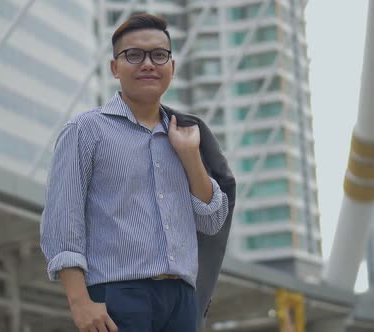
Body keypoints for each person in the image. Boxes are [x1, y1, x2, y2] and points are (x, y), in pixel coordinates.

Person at [40, 13, 231, 332]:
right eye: (133, 55)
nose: (147, 64)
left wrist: (190, 157)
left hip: (182, 299)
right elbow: (62, 222)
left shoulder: (186, 135)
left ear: (172, 66)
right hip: (118, 295)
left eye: (159, 55)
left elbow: (212, 220)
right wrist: (80, 303)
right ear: (115, 67)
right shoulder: (85, 130)